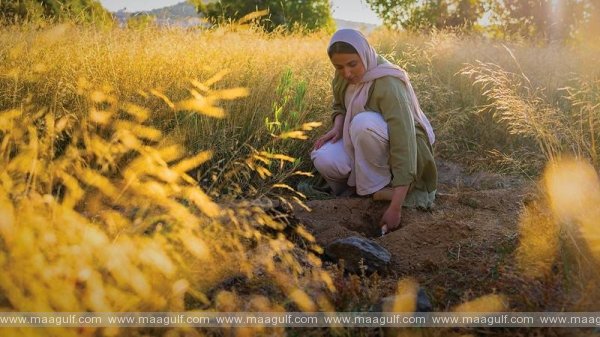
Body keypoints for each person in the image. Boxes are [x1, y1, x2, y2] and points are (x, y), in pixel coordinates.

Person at [311, 29, 437, 235]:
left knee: (363, 123)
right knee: (323, 157)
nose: (347, 73)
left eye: (353, 64)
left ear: (364, 54)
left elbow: (403, 141)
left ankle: (381, 188)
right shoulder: (343, 75)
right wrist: (336, 127)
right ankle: (360, 189)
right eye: (339, 67)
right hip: (359, 139)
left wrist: (395, 207)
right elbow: (340, 105)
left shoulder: (388, 82)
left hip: (400, 144)